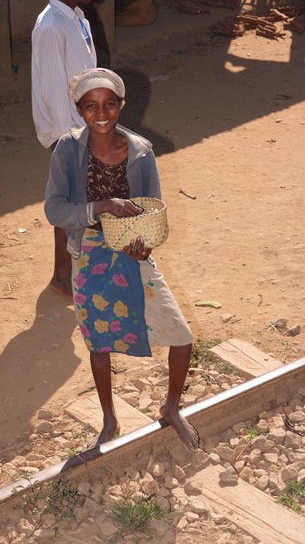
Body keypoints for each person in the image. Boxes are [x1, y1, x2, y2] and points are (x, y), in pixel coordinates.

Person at [44, 68, 200, 452]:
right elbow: (54, 209)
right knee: (99, 344)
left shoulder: (142, 151)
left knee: (181, 338)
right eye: (91, 105)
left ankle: (171, 407)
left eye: (109, 104)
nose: (101, 113)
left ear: (120, 106)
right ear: (79, 110)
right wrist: (100, 207)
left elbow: (154, 210)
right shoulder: (67, 149)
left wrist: (144, 247)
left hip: (133, 255)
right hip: (90, 253)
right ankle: (110, 418)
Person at [32, 0, 97, 300]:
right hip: (66, 130)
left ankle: (71, 269)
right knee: (70, 202)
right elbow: (54, 90)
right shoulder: (50, 27)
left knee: (78, 199)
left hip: (84, 123)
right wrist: (72, 137)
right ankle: (62, 276)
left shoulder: (77, 19)